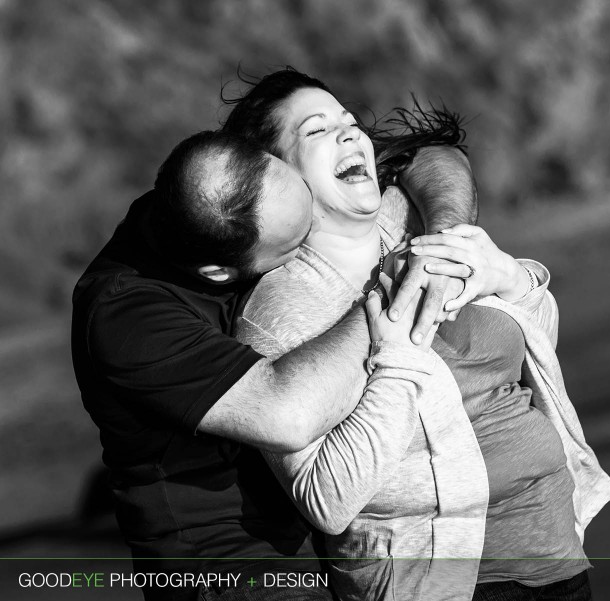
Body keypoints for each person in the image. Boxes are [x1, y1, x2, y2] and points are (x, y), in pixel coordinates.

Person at [226, 70, 610, 601]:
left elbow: (535, 346)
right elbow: (326, 500)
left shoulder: (407, 218)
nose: (348, 134)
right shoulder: (281, 310)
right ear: (276, 175)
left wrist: (508, 276)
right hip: (438, 584)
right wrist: (394, 357)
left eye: (348, 121)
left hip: (555, 553)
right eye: (317, 131)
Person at [70, 123, 478, 600]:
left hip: (320, 549)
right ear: (219, 273)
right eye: (292, 246)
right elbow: (288, 416)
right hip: (234, 569)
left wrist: (447, 235)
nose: (312, 245)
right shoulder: (127, 315)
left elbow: (428, 156)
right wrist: (399, 280)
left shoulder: (217, 188)